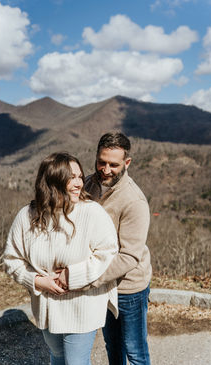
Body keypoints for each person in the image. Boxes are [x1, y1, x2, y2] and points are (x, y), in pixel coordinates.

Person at [4, 152, 118, 365]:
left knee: (75, 361)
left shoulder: (92, 213)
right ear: (53, 182)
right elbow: (11, 259)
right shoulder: (28, 216)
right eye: (71, 177)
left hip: (83, 303)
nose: (79, 183)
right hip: (47, 306)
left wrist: (71, 276)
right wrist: (36, 280)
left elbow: (108, 253)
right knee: (57, 357)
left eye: (79, 176)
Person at [84, 132, 151, 365]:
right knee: (112, 345)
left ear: (127, 163)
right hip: (103, 285)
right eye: (102, 161)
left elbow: (129, 256)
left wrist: (89, 277)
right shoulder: (87, 184)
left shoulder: (134, 201)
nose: (106, 169)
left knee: (135, 351)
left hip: (128, 288)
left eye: (114, 164)